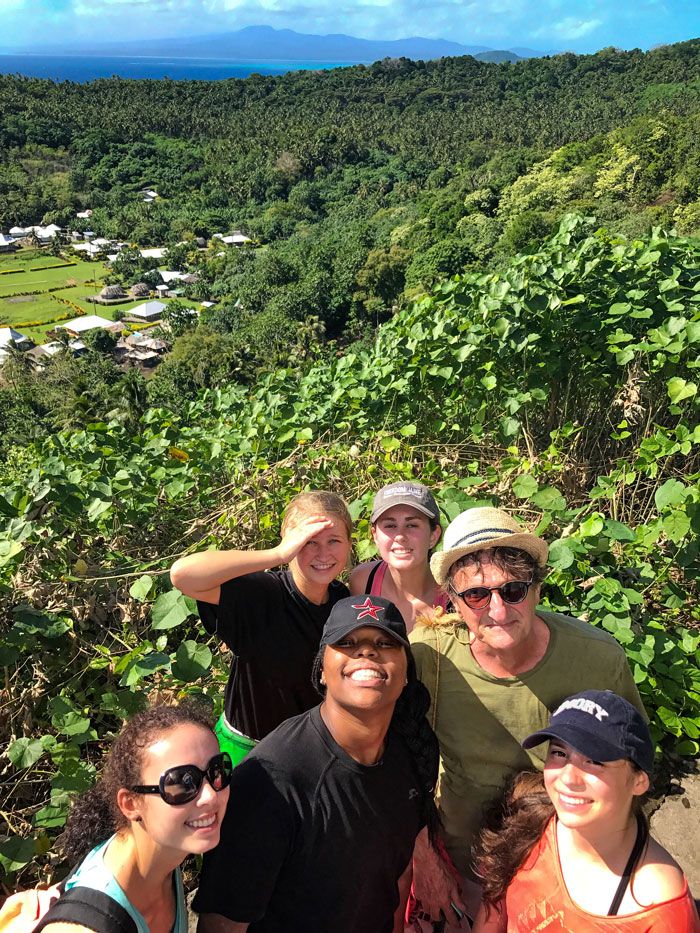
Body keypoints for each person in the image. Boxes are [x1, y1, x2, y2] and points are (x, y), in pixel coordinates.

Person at [408, 506, 647, 927]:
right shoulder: (430, 655)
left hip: (563, 873)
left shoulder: (595, 659)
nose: (498, 610)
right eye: (477, 595)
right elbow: (391, 759)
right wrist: (423, 855)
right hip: (462, 865)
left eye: (513, 590)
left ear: (537, 590)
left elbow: (633, 768)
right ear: (454, 601)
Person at [193, 595, 440, 933]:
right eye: (347, 642)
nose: (367, 651)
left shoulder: (411, 752)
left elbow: (395, 878)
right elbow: (222, 925)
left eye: (385, 642)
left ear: (406, 672)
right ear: (321, 670)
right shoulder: (271, 782)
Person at [472, 690, 700, 931]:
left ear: (638, 781)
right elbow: (493, 912)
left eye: (594, 761)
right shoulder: (529, 820)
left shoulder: (658, 909)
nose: (569, 778)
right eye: (559, 753)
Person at [170, 491, 353, 763]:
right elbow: (183, 575)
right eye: (308, 542)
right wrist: (277, 554)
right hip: (250, 755)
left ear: (350, 544)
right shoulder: (263, 594)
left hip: (311, 753)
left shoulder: (343, 601)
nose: (323, 553)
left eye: (334, 540)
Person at [39, 703, 232, 933]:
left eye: (217, 770)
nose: (211, 795)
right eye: (182, 782)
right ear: (130, 804)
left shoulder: (164, 862)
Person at [350, 482, 446, 633]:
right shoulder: (363, 581)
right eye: (390, 525)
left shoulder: (454, 592)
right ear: (375, 535)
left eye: (412, 525)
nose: (400, 536)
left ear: (433, 536)